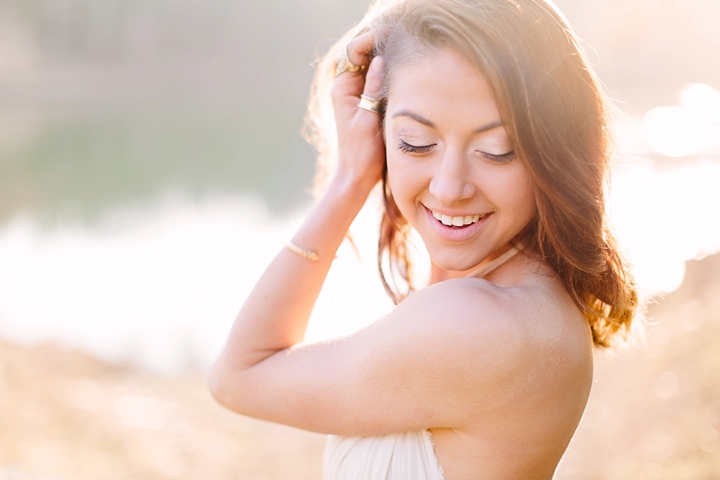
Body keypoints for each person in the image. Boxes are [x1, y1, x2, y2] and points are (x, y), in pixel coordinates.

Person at [208, 0, 639, 478]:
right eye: (416, 142)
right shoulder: (525, 294)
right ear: (380, 130)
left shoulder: (477, 323)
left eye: (497, 150)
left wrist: (350, 181)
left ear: (552, 148)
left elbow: (238, 376)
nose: (449, 187)